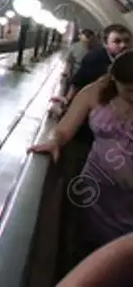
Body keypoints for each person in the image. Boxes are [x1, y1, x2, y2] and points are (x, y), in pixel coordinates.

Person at [30, 49, 133, 262]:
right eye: (130, 90)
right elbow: (65, 128)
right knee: (85, 247)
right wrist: (54, 141)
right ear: (114, 79)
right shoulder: (93, 93)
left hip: (129, 203)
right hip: (94, 191)